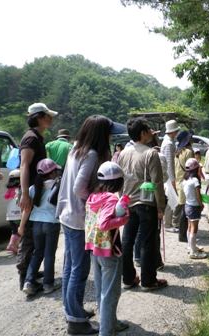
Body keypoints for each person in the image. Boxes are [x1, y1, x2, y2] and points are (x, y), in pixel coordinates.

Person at [56, 115, 125, 335]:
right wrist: (95, 204)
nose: (110, 136)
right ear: (100, 134)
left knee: (70, 267)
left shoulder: (76, 148)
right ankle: (75, 321)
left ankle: (72, 310)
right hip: (78, 218)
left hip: (66, 214)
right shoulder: (92, 154)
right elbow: (79, 187)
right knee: (79, 269)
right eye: (108, 133)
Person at [118, 117, 168, 292]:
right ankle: (148, 280)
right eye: (148, 129)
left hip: (128, 202)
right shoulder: (150, 153)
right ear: (142, 133)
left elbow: (119, 180)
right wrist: (161, 207)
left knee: (127, 240)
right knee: (147, 242)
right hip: (147, 203)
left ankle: (128, 278)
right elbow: (157, 183)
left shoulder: (123, 154)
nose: (150, 132)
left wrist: (121, 200)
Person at [85, 161, 130, 335]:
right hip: (109, 250)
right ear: (118, 182)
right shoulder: (111, 198)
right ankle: (106, 331)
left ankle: (111, 322)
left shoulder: (93, 196)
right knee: (111, 293)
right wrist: (123, 219)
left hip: (93, 248)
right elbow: (104, 224)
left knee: (101, 291)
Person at [17, 102, 57, 290]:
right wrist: (25, 193)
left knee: (35, 238)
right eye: (48, 115)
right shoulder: (31, 138)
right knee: (29, 239)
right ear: (39, 117)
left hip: (36, 190)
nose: (51, 119)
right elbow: (24, 165)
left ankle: (30, 275)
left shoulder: (37, 137)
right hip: (32, 191)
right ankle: (26, 277)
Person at [20, 159, 62, 296]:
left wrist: (21, 226)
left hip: (36, 224)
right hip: (51, 224)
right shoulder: (59, 186)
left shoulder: (33, 188)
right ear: (52, 173)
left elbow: (26, 210)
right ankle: (48, 284)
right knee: (49, 254)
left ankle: (29, 281)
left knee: (38, 252)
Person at [183, 158, 206, 259]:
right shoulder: (195, 180)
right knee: (194, 229)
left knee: (189, 227)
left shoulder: (186, 180)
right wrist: (201, 204)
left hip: (187, 205)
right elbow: (197, 195)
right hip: (194, 206)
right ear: (196, 169)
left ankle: (190, 247)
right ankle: (193, 252)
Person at [174, 130, 194, 241]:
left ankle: (182, 234)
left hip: (178, 182)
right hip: (186, 183)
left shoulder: (177, 151)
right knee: (186, 211)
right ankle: (182, 235)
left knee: (182, 208)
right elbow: (190, 169)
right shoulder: (189, 152)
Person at [161, 119, 180, 232]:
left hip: (167, 176)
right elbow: (169, 164)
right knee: (170, 199)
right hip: (168, 177)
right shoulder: (168, 144)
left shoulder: (168, 141)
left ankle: (168, 223)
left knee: (170, 198)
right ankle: (167, 224)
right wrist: (172, 180)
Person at [4, 169, 22, 255]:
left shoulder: (9, 190)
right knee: (21, 231)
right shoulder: (20, 189)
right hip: (19, 215)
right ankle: (15, 246)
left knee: (14, 231)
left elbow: (6, 197)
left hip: (10, 215)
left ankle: (11, 245)